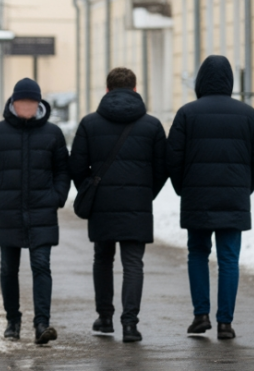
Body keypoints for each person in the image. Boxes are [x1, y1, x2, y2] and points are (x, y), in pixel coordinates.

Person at [166, 55, 254, 340]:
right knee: (228, 259)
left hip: (196, 198)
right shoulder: (248, 114)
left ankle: (200, 315)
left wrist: (183, 188)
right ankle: (225, 323)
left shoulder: (187, 113)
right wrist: (243, 186)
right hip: (233, 200)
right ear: (229, 81)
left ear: (200, 81)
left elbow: (172, 157)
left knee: (198, 254)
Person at [69, 67, 168, 343]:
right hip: (137, 204)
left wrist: (91, 192)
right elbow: (163, 168)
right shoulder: (152, 125)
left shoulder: (89, 124)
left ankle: (104, 318)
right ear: (135, 90)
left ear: (107, 90)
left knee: (103, 259)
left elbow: (76, 165)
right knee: (133, 263)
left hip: (102, 204)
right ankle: (130, 324)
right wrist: (146, 194)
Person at [0, 78, 70, 345]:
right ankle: (13, 321)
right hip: (8, 213)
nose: (26, 106)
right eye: (22, 102)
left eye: (31, 102)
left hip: (42, 212)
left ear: (39, 104)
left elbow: (63, 171)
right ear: (13, 103)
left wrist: (57, 197)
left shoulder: (52, 133)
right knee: (8, 269)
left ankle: (42, 324)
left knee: (41, 266)